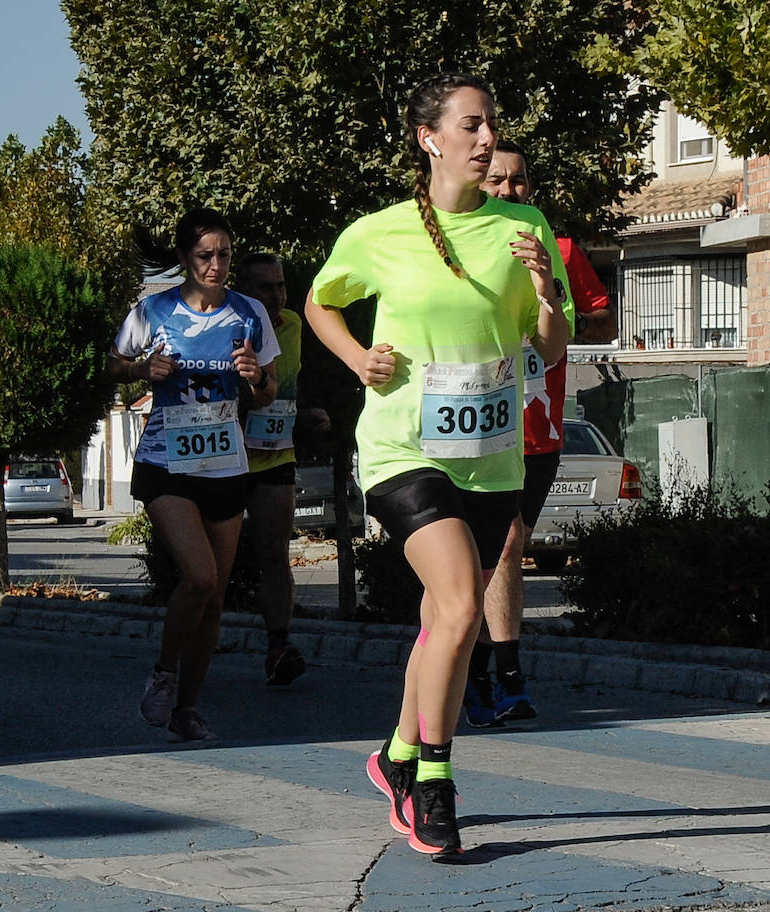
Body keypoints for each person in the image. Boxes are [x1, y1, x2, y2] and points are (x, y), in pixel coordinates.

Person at [305, 74, 572, 858]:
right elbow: (323, 300)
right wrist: (359, 357)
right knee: (459, 606)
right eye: (472, 126)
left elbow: (549, 348)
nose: (488, 139)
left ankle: (393, 755)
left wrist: (544, 292)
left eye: (491, 124)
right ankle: (433, 780)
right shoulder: (380, 232)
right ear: (431, 139)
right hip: (402, 448)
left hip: (491, 456)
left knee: (438, 624)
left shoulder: (522, 223)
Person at [107, 208, 279, 742]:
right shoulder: (153, 311)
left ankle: (186, 708)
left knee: (215, 597)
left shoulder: (249, 313)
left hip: (226, 461)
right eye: (205, 256)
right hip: (166, 462)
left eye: (224, 255)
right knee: (199, 577)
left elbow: (269, 388)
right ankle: (163, 671)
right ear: (184, 259)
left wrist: (255, 379)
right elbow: (113, 364)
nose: (216, 265)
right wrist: (140, 369)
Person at [466, 140, 619, 726]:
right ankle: (498, 673)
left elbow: (602, 318)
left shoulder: (557, 249)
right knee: (491, 551)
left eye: (520, 181)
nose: (509, 190)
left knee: (507, 549)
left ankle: (490, 672)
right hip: (474, 427)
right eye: (497, 180)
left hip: (540, 430)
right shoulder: (455, 248)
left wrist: (554, 307)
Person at [232, 252, 331, 686]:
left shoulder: (293, 325)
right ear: (243, 292)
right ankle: (187, 649)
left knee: (275, 551)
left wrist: (306, 413)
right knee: (216, 564)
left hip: (276, 453)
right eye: (264, 288)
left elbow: (292, 385)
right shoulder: (229, 327)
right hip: (227, 459)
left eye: (280, 286)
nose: (275, 296)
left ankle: (278, 645)